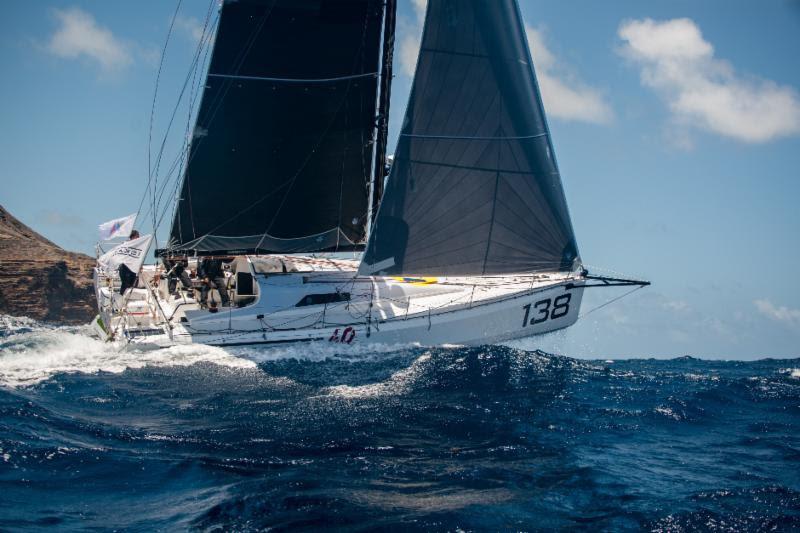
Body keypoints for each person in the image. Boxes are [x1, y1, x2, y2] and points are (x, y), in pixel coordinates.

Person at [118, 229, 140, 294]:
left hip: (133, 268)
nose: (138, 238)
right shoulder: (126, 244)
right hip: (125, 268)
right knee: (125, 285)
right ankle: (121, 299)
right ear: (133, 237)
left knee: (133, 284)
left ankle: (129, 299)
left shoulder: (138, 246)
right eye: (137, 236)